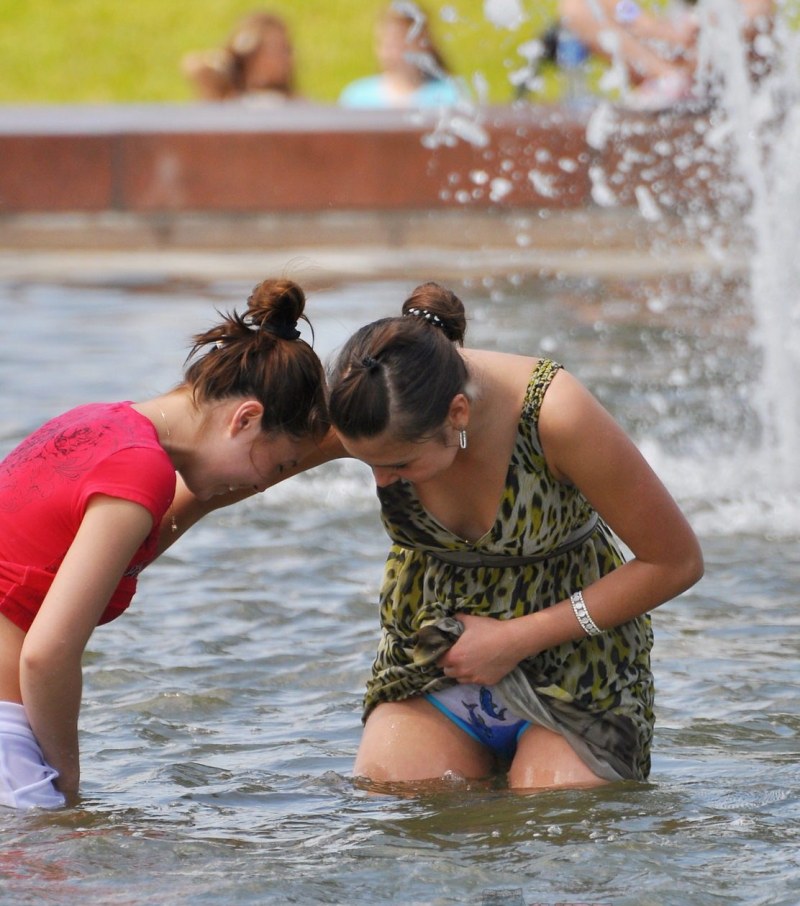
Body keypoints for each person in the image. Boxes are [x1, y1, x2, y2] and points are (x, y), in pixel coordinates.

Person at [325, 281, 703, 790]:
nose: (380, 482)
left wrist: (514, 639)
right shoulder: (368, 405)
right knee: (397, 811)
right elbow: (232, 459)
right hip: (431, 669)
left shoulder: (554, 415)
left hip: (575, 677)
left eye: (398, 465)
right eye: (365, 463)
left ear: (457, 414)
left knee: (551, 823)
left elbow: (675, 561)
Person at [0, 279, 328, 809]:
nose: (264, 485)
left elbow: (171, 519)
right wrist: (67, 786)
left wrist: (348, 444)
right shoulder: (139, 470)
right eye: (279, 465)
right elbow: (46, 655)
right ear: (246, 419)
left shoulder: (103, 424)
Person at [555, 0, 776, 109]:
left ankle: (676, 81)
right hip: (675, 56)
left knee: (749, 20)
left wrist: (701, 23)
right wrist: (646, 23)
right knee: (578, 6)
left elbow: (758, 11)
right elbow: (617, 4)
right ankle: (669, 78)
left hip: (726, 68)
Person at [339, 3, 461, 109]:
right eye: (386, 44)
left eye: (400, 45)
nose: (393, 52)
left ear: (423, 44)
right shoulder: (357, 97)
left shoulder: (448, 95)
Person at [181, 10, 298, 104]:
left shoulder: (293, 103)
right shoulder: (228, 97)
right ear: (251, 52)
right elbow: (193, 66)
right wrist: (230, 59)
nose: (285, 58)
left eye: (286, 49)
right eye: (273, 49)